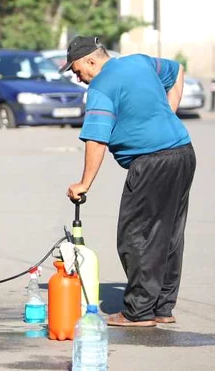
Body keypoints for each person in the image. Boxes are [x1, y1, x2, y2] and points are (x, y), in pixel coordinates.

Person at [62, 36, 196, 327]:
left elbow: (96, 139)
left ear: (91, 61)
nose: (79, 78)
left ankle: (138, 311)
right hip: (183, 152)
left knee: (136, 237)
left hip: (151, 162)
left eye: (76, 70)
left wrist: (85, 183)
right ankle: (162, 307)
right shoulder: (139, 62)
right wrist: (169, 112)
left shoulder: (101, 86)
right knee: (169, 234)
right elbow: (177, 70)